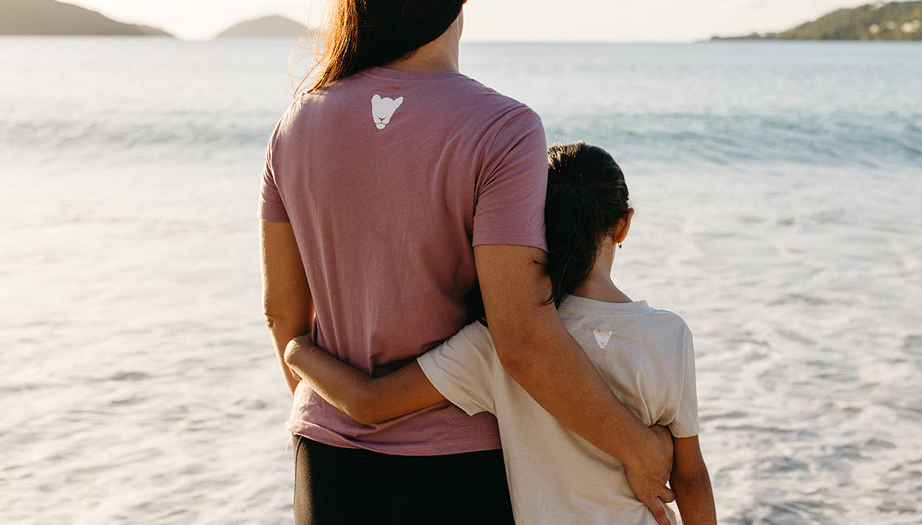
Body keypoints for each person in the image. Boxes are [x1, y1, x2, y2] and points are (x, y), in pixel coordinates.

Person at [259, 0, 673, 524]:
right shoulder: (502, 128)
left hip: (325, 458)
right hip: (457, 468)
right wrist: (637, 446)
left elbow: (283, 316)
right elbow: (522, 336)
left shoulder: (295, 126)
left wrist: (350, 419)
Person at [285, 142, 718, 525]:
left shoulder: (501, 339)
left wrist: (296, 348)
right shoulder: (668, 335)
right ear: (623, 225)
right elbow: (691, 477)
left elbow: (370, 402)